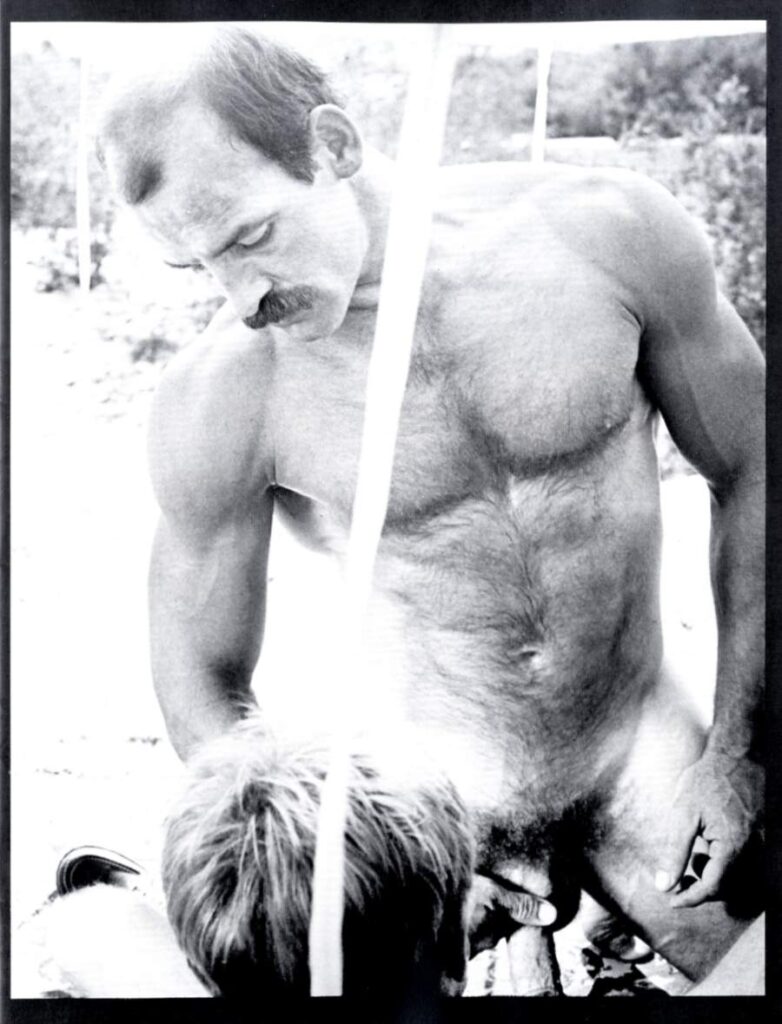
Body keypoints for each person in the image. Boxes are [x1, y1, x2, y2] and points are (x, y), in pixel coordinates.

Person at [96, 26, 764, 992]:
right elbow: (201, 681)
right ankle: (97, 904)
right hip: (425, 808)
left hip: (635, 747)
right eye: (196, 265)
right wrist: (345, 862)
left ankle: (605, 938)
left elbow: (754, 468)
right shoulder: (223, 395)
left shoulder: (609, 239)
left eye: (249, 237)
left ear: (333, 145)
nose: (240, 298)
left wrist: (739, 753)